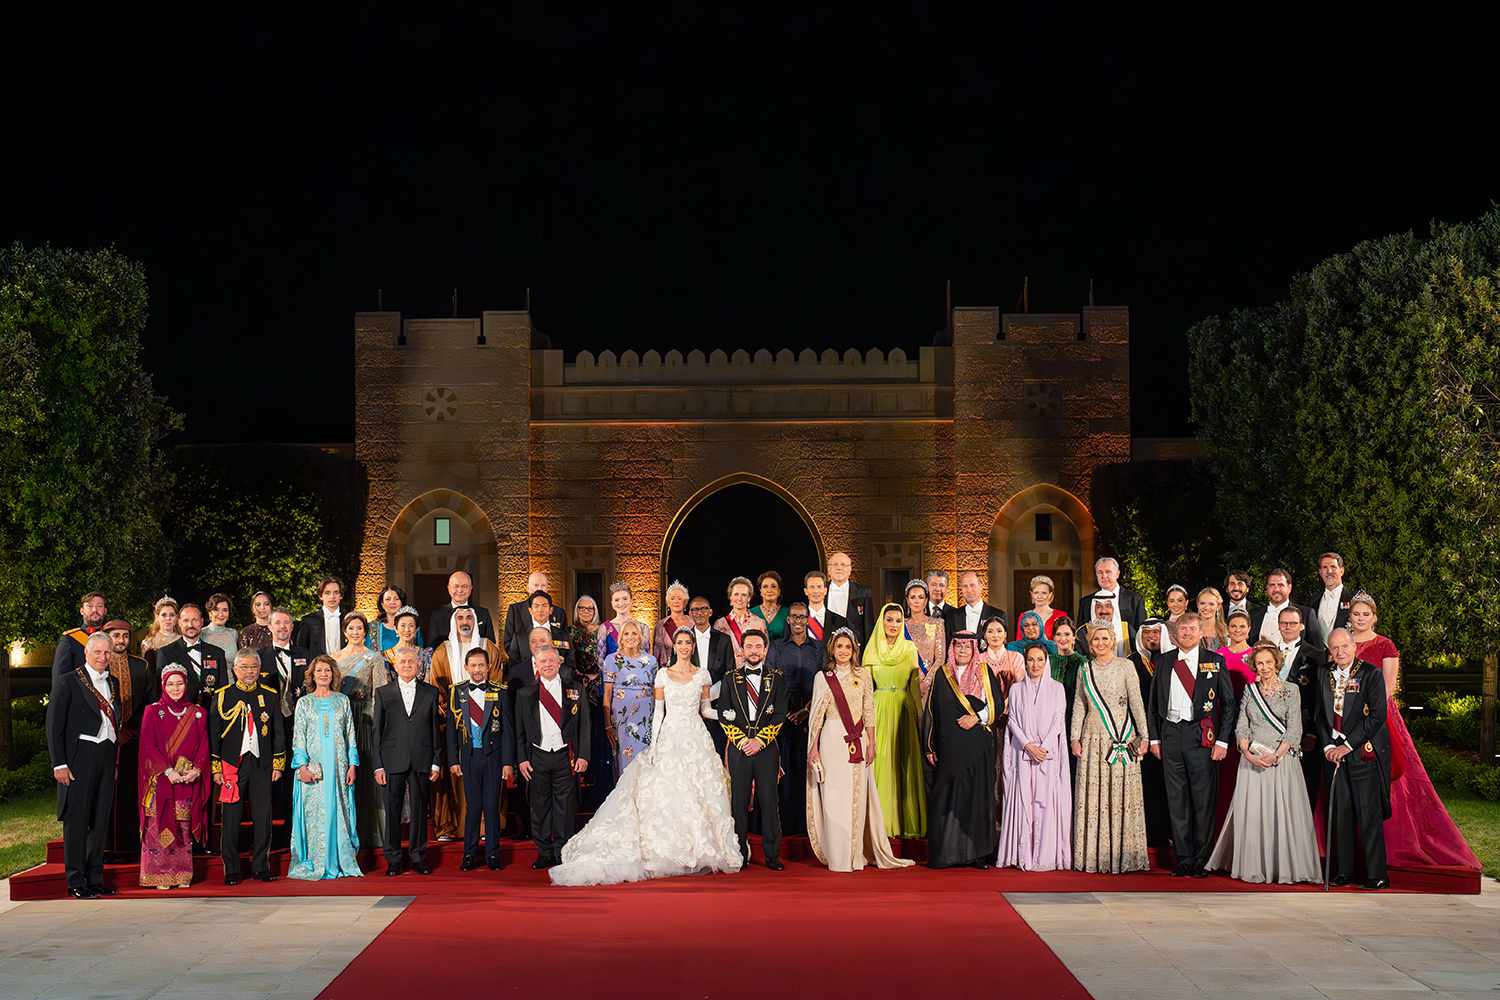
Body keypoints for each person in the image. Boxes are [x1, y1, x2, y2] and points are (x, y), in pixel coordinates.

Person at [550, 631, 741, 885]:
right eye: (680, 642)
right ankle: (671, 847)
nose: (684, 646)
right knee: (669, 792)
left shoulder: (702, 675)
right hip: (671, 736)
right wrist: (654, 745)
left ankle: (701, 847)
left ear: (693, 646)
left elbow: (705, 710)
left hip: (695, 736)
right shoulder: (662, 674)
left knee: (700, 791)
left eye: (688, 643)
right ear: (675, 646)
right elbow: (658, 713)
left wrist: (725, 716)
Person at [1346, 592, 1479, 871]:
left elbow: (1388, 687)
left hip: (1379, 716)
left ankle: (1392, 844)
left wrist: (1368, 715)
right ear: (1350, 616)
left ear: (1374, 617)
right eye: (1356, 614)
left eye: (1365, 614)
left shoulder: (1385, 644)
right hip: (1345, 716)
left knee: (1390, 776)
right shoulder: (1343, 643)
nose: (1360, 619)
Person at [1205, 643, 1321, 884]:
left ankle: (1284, 867)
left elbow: (1294, 729)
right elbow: (1242, 725)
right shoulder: (1250, 690)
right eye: (1260, 663)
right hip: (1252, 761)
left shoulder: (1291, 690)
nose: (1265, 667)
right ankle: (1255, 865)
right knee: (1255, 815)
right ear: (1254, 666)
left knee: (1282, 815)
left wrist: (1276, 755)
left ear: (1277, 663)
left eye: (1269, 662)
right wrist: (1247, 753)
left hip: (1281, 761)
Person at [806, 628, 914, 873]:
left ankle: (855, 856)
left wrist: (872, 742)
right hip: (831, 738)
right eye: (839, 647)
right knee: (834, 798)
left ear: (854, 650)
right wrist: (813, 749)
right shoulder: (823, 677)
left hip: (858, 739)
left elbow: (869, 710)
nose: (843, 651)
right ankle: (838, 856)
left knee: (855, 797)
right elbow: (816, 718)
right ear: (832, 649)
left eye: (848, 647)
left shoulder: (864, 675)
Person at [1147, 614, 1235, 877]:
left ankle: (1201, 859)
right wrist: (1154, 739)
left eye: (1192, 629)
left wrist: (1222, 740)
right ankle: (1183, 858)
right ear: (1174, 634)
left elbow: (1229, 704)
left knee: (1202, 799)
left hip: (1202, 736)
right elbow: (1152, 704)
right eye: (1182, 629)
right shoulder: (1163, 661)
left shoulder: (1214, 661)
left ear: (1200, 632)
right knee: (1176, 799)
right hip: (1171, 734)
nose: (1186, 633)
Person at [1070, 621, 1150, 873]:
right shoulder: (1085, 668)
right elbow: (1079, 705)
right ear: (1090, 644)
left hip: (1122, 739)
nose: (1101, 643)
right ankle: (1094, 856)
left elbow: (1136, 702)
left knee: (1122, 795)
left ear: (1113, 640)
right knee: (1095, 797)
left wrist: (1144, 736)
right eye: (1096, 639)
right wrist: (1075, 738)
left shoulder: (1126, 666)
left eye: (1105, 639)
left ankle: (1125, 856)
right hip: (1093, 739)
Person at [47, 633, 121, 898]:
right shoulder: (68, 681)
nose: (103, 657)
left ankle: (95, 877)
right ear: (87, 653)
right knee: (77, 822)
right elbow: (54, 726)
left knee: (100, 821)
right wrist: (59, 764)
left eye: (107, 653)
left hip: (105, 757)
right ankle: (76, 880)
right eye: (98, 652)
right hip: (79, 758)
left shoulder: (113, 682)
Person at [1318, 628, 1391, 889]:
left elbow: (1377, 717)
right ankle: (1344, 872)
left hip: (1361, 751)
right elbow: (1319, 715)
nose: (1340, 652)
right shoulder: (1323, 673)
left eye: (1344, 647)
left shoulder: (1370, 674)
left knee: (1367, 813)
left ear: (1354, 646)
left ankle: (1376, 875)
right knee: (1341, 813)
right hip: (1333, 753)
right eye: (1334, 648)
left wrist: (1347, 746)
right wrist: (1328, 746)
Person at [923, 631, 1002, 869]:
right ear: (952, 649)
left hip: (977, 749)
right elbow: (931, 713)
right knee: (946, 799)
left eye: (967, 647)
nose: (963, 651)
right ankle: (946, 855)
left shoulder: (985, 672)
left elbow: (996, 705)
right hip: (949, 749)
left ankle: (977, 855)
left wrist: (976, 718)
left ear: (974, 649)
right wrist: (929, 746)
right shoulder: (941, 674)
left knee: (977, 799)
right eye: (958, 647)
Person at [428, 606, 506, 841]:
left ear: (476, 622)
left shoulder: (489, 648)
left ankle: (486, 830)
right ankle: (452, 826)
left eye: (469, 618)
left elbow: (497, 684)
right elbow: (436, 684)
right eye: (460, 617)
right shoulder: (443, 651)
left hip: (486, 726)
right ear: (454, 622)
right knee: (456, 774)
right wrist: (448, 708)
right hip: (454, 724)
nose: (465, 621)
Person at [716, 629, 788, 870]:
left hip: (767, 750)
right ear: (742, 650)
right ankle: (740, 854)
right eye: (750, 646)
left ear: (765, 650)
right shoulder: (730, 679)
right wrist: (742, 741)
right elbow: (723, 714)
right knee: (739, 803)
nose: (754, 651)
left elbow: (779, 714)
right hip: (739, 749)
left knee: (769, 802)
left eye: (759, 646)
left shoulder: (776, 678)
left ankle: (772, 856)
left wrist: (760, 740)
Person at [212, 649, 285, 885]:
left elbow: (278, 733)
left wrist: (278, 763)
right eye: (244, 667)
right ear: (234, 669)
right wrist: (216, 768)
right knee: (231, 818)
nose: (249, 672)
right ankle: (232, 869)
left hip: (262, 764)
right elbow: (214, 735)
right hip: (232, 764)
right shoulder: (223, 695)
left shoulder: (270, 695)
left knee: (263, 817)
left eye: (253, 667)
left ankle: (260, 866)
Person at [288, 654, 363, 880]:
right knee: (316, 813)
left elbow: (350, 735)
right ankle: (317, 860)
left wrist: (352, 764)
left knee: (339, 809)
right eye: (319, 670)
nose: (323, 674)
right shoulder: (304, 702)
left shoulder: (342, 701)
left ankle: (341, 860)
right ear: (312, 674)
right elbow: (298, 736)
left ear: (333, 674)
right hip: (314, 768)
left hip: (339, 768)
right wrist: (301, 766)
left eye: (327, 670)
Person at [997, 644, 1072, 871]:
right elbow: (1012, 722)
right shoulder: (1016, 689)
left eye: (1040, 659)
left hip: (1047, 756)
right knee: (1024, 801)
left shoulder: (1057, 688)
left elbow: (1059, 719)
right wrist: (1029, 745)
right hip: (1024, 753)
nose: (1035, 664)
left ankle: (1046, 854)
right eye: (1030, 659)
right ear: (1026, 662)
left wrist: (1044, 747)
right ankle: (1022, 854)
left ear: (1046, 661)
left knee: (1045, 802)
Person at [516, 647, 590, 869]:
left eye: (551, 660)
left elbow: (584, 726)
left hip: (565, 756)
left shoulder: (575, 690)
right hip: (537, 756)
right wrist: (522, 759)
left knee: (564, 807)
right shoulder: (525, 693)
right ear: (536, 665)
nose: (547, 664)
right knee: (539, 807)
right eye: (542, 661)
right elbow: (519, 731)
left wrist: (583, 755)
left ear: (559, 663)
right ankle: (544, 852)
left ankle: (561, 850)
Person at [136, 663, 209, 888]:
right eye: (170, 684)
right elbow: (148, 745)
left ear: (186, 685)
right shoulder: (152, 711)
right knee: (158, 828)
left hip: (186, 780)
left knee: (182, 829)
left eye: (179, 683)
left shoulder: (197, 713)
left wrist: (196, 769)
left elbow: (204, 745)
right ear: (163, 685)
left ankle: (182, 873)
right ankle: (159, 875)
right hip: (161, 781)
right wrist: (167, 771)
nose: (175, 688)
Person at [371, 646, 441, 876]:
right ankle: (393, 859)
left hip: (422, 758)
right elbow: (377, 733)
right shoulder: (383, 693)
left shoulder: (430, 692)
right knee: (392, 810)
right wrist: (378, 764)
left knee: (420, 810)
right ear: (395, 665)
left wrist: (436, 761)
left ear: (419, 665)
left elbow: (434, 730)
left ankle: (418, 856)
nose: (407, 665)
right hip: (392, 760)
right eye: (403, 662)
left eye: (412, 662)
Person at [446, 647, 514, 871]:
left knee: (491, 806)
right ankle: (469, 854)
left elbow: (507, 730)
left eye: (481, 665)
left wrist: (507, 762)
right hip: (468, 757)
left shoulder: (500, 691)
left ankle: (493, 854)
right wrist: (453, 760)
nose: (477, 670)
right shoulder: (457, 692)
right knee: (472, 807)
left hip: (493, 757)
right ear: (466, 667)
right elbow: (450, 731)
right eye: (473, 665)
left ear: (488, 667)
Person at [864, 603, 925, 838]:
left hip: (903, 710)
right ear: (882, 621)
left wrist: (920, 719)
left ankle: (904, 823)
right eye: (889, 620)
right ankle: (879, 825)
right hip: (878, 710)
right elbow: (866, 690)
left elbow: (914, 687)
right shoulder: (871, 649)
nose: (893, 625)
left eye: (898, 621)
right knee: (880, 762)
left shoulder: (910, 649)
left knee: (903, 764)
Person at [337, 611, 390, 853]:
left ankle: (371, 832)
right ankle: (345, 832)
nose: (356, 632)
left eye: (360, 628)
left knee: (366, 776)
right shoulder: (334, 658)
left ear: (365, 632)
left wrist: (376, 721)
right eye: (351, 628)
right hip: (340, 722)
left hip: (365, 722)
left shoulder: (374, 658)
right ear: (345, 631)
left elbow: (381, 694)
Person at [769, 603, 820, 836]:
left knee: (808, 769)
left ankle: (809, 825)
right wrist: (786, 712)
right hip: (783, 716)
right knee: (786, 770)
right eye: (794, 617)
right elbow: (769, 682)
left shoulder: (818, 649)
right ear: (787, 620)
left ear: (808, 619)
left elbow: (824, 683)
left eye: (802, 617)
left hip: (812, 713)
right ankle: (787, 826)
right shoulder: (777, 648)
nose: (798, 621)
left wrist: (807, 710)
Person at [104, 619, 152, 857]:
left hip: (133, 738)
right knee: (105, 792)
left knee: (132, 791)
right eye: (116, 636)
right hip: (104, 739)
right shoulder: (98, 665)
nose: (121, 640)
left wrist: (132, 729)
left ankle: (131, 847)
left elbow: (149, 702)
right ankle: (104, 848)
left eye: (124, 636)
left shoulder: (141, 666)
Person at [1274, 606, 1324, 799]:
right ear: (1278, 626)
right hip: (1271, 729)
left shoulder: (1316, 655)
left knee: (1302, 784)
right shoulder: (1266, 652)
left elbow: (1319, 698)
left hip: (1303, 729)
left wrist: (1312, 732)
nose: (1288, 627)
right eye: (1284, 623)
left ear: (1302, 626)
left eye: (1293, 623)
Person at [568, 594, 612, 807]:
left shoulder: (603, 630)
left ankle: (599, 780)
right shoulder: (571, 631)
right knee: (582, 730)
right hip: (579, 685)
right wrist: (583, 676)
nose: (586, 612)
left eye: (590, 608)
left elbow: (606, 657)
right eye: (582, 608)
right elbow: (570, 659)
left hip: (600, 686)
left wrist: (597, 676)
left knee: (598, 731)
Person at [603, 619, 658, 775]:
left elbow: (656, 692)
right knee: (624, 761)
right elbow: (607, 695)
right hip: (622, 719)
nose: (630, 637)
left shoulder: (651, 661)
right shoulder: (611, 660)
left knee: (645, 759)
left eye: (634, 633)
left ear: (640, 637)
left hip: (646, 718)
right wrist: (608, 725)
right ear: (620, 638)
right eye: (626, 633)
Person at [156, 603, 227, 706]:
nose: (190, 625)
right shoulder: (165, 653)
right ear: (179, 622)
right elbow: (160, 692)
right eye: (186, 620)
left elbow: (223, 690)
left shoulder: (217, 653)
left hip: (211, 715)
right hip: (180, 716)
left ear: (201, 622)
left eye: (195, 620)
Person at [1251, 567, 1323, 650]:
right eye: (1272, 585)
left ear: (1289, 588)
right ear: (1267, 588)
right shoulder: (1254, 614)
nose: (1276, 589)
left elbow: (1318, 650)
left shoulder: (1306, 614)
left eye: (1281, 585)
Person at [1078, 557, 1145, 644]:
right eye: (1100, 572)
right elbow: (1080, 635)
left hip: (1128, 654)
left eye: (1108, 572)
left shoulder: (1135, 599)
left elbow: (1141, 632)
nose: (1104, 576)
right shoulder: (1086, 602)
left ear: (1117, 574)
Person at [506, 592, 574, 677]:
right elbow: (513, 665)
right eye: (536, 606)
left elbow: (571, 663)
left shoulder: (563, 635)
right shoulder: (519, 636)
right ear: (530, 610)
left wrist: (558, 667)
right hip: (527, 684)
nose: (540, 610)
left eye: (544, 605)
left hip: (558, 684)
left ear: (551, 610)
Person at [426, 569, 496, 647]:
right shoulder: (437, 615)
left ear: (471, 588)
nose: (460, 590)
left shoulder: (483, 613)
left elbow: (491, 646)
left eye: (464, 586)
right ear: (449, 588)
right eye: (456, 586)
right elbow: (432, 648)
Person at [503, 570, 565, 655]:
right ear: (528, 588)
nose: (539, 588)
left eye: (543, 585)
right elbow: (508, 643)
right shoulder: (515, 610)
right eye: (536, 585)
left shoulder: (559, 612)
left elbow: (564, 642)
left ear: (547, 588)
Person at [902, 579, 947, 692]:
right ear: (907, 600)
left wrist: (926, 683)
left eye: (921, 597)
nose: (917, 601)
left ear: (926, 600)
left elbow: (940, 659)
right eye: (913, 597)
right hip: (904, 684)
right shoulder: (900, 625)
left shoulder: (937, 624)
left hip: (929, 686)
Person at [51, 591, 108, 676]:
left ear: (105, 611)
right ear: (82, 611)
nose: (95, 610)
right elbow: (60, 677)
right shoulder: (70, 639)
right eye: (89, 606)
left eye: (99, 606)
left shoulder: (110, 638)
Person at [825, 551, 875, 645]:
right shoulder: (820, 591)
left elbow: (868, 627)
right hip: (826, 650)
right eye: (835, 564)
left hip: (854, 651)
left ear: (850, 570)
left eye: (843, 565)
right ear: (829, 569)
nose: (839, 568)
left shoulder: (863, 592)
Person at [1048, 618, 1086, 736]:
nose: (1063, 638)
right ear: (1053, 638)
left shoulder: (1083, 662)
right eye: (1058, 634)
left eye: (1067, 634)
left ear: (1074, 637)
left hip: (1075, 715)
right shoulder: (1047, 661)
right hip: (1050, 715)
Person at [944, 571, 1006, 643]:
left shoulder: (998, 615)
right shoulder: (952, 616)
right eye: (965, 586)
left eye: (972, 585)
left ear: (981, 586)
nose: (969, 590)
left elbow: (1003, 646)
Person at [597, 580, 649, 665]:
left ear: (631, 601)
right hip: (612, 676)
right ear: (612, 603)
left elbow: (645, 659)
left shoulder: (643, 627)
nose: (621, 603)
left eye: (625, 599)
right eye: (616, 600)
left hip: (636, 675)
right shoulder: (605, 628)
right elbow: (600, 661)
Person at [714, 576, 760, 666]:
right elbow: (716, 654)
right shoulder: (720, 624)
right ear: (730, 597)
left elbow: (764, 651)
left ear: (749, 598)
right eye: (736, 594)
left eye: (744, 595)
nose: (740, 598)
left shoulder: (759, 623)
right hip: (728, 673)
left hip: (753, 672)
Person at [295, 576, 346, 656]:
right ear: (320, 596)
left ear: (341, 596)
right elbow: (301, 650)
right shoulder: (308, 621)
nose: (332, 596)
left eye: (336, 592)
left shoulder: (349, 619)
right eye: (327, 593)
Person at [384, 606, 432, 682]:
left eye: (411, 626)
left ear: (417, 629)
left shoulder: (425, 655)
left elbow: (428, 684)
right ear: (396, 629)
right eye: (403, 626)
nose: (407, 630)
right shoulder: (386, 656)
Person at [1315, 552, 1356, 637]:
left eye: (1333, 567)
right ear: (1320, 572)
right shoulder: (1312, 600)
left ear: (1341, 571)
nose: (1329, 571)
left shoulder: (1354, 600)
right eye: (1325, 567)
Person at [1015, 575, 1068, 640]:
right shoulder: (1024, 616)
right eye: (1036, 592)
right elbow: (1019, 642)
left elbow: (1065, 640)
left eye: (1044, 593)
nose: (1039, 596)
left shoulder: (1061, 615)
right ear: (1031, 594)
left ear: (1050, 595)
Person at [803, 570, 848, 643]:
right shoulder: (797, 620)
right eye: (812, 587)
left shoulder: (840, 621)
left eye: (819, 587)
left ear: (825, 590)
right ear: (806, 591)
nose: (816, 591)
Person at [652, 581, 693, 662]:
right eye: (672, 598)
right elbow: (657, 654)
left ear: (685, 602)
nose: (676, 601)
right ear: (668, 602)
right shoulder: (661, 625)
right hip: (669, 669)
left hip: (690, 668)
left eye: (679, 598)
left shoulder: (692, 622)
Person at [372, 585, 420, 651]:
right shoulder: (373, 628)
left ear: (402, 603)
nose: (392, 602)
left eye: (396, 599)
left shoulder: (412, 626)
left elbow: (420, 653)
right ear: (382, 604)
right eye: (388, 599)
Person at [140, 596, 180, 672]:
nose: (168, 618)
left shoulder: (184, 640)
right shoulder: (149, 642)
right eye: (164, 615)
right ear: (157, 617)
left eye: (172, 615)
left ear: (177, 617)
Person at [750, 570, 789, 641]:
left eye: (773, 586)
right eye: (765, 586)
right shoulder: (750, 613)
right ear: (760, 591)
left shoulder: (788, 612)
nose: (769, 590)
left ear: (779, 591)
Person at [201, 593, 238, 661]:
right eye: (216, 610)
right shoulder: (201, 634)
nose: (221, 614)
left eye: (225, 610)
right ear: (210, 613)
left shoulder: (234, 634)